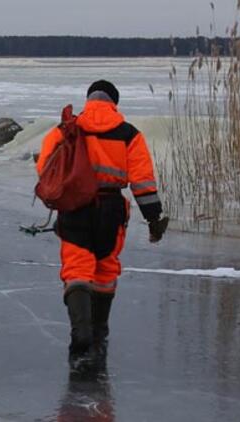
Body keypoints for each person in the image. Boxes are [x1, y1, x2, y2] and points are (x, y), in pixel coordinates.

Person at [36, 80, 168, 365]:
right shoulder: (129, 134)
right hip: (111, 210)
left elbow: (45, 166)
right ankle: (99, 331)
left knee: (76, 267)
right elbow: (143, 182)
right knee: (106, 270)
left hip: (74, 207)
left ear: (88, 101)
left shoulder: (65, 129)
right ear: (114, 103)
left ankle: (80, 334)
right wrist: (153, 218)